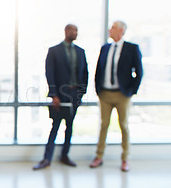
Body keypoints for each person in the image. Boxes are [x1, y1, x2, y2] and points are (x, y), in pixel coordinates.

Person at [33, 24, 88, 170]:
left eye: (77, 30)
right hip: (60, 95)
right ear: (66, 31)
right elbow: (49, 74)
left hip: (74, 94)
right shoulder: (54, 51)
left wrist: (81, 93)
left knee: (69, 127)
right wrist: (54, 95)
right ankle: (47, 158)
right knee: (55, 127)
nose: (75, 33)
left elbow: (85, 74)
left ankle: (65, 155)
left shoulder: (80, 52)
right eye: (72, 30)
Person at [90, 21, 143, 172]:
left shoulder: (132, 48)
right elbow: (98, 70)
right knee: (103, 125)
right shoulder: (105, 48)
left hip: (122, 94)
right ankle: (99, 156)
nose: (109, 30)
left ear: (121, 31)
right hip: (105, 94)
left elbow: (139, 72)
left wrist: (131, 91)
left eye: (112, 28)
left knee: (124, 126)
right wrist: (98, 90)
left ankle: (125, 158)